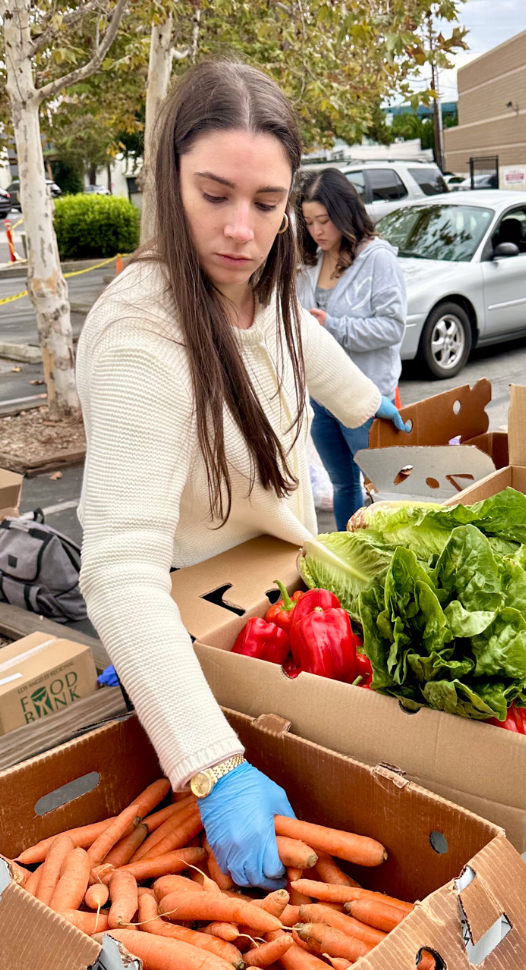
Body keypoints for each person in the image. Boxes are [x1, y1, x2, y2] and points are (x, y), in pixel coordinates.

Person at [75, 60, 404, 890]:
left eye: (267, 204)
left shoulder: (263, 284)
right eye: (213, 195)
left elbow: (302, 339)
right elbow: (117, 565)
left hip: (283, 577)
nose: (240, 232)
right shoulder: (141, 339)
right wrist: (213, 766)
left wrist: (372, 401)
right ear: (167, 179)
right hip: (198, 619)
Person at [297, 168, 407, 529]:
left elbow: (391, 328)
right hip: (321, 397)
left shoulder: (378, 259)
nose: (317, 231)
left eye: (324, 220)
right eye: (309, 222)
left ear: (345, 213)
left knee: (384, 489)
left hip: (368, 395)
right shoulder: (310, 261)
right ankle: (350, 553)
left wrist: (332, 326)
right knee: (343, 484)